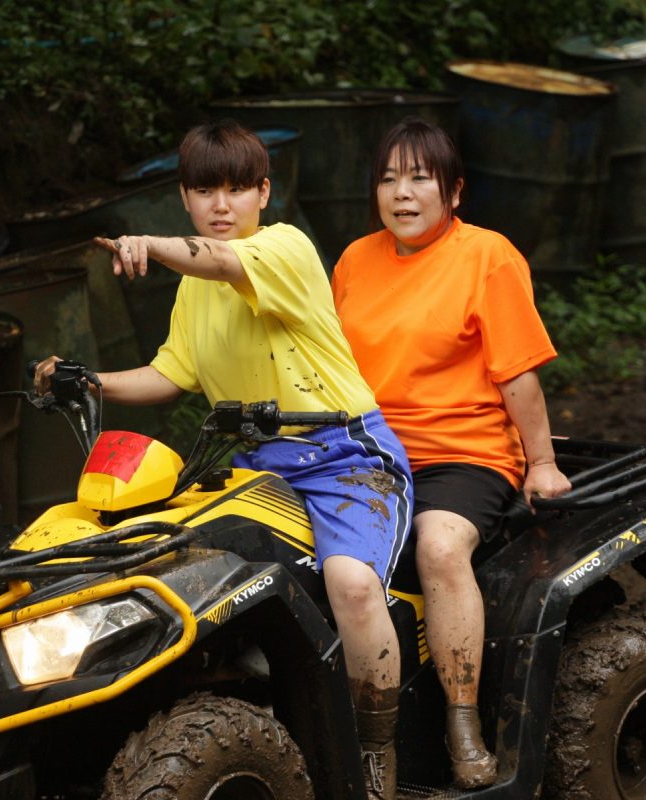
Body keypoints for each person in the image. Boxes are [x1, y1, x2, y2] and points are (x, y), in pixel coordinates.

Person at [34, 119, 413, 800]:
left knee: (351, 584)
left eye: (237, 189)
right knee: (192, 573)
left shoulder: (283, 248)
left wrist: (149, 244)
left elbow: (219, 260)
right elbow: (169, 374)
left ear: (263, 193)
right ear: (185, 197)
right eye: (205, 191)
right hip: (261, 465)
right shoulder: (193, 289)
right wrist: (87, 381)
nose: (221, 205)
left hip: (345, 456)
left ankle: (376, 750)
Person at [330, 116, 572, 789]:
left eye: (418, 178)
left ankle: (461, 722)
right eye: (388, 179)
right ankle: (359, 733)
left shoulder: (487, 256)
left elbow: (518, 374)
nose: (401, 193)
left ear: (454, 190)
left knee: (438, 547)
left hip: (462, 450)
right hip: (370, 454)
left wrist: (541, 462)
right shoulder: (354, 261)